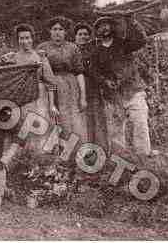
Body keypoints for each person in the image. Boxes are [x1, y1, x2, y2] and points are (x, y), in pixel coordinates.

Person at [90, 16, 153, 156]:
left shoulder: (123, 44)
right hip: (112, 95)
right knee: (116, 129)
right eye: (100, 26)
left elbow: (142, 40)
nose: (104, 28)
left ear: (112, 27)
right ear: (97, 31)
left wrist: (132, 21)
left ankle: (143, 156)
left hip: (133, 90)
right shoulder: (96, 52)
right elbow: (94, 72)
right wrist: (104, 81)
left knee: (140, 123)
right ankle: (121, 158)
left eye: (107, 25)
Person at [36, 16, 87, 142]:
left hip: (69, 86)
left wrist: (83, 96)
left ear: (65, 32)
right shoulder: (43, 47)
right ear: (50, 31)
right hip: (49, 86)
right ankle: (54, 150)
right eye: (54, 29)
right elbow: (37, 69)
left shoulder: (72, 48)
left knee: (70, 118)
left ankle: (73, 151)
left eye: (61, 29)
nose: (57, 32)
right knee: (52, 116)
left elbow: (79, 72)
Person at [10, 23, 59, 152]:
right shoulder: (13, 58)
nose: (25, 41)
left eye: (27, 38)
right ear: (17, 40)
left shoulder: (40, 57)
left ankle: (44, 164)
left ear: (32, 39)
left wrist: (52, 105)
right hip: (22, 99)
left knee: (41, 127)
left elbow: (50, 83)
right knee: (24, 128)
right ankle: (28, 163)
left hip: (40, 98)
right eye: (21, 38)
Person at [73, 22, 108, 149]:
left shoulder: (94, 51)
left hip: (93, 90)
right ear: (75, 36)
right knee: (80, 122)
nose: (83, 37)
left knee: (95, 120)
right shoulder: (71, 50)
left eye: (86, 34)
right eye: (80, 34)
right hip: (75, 90)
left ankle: (99, 149)